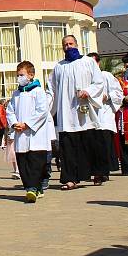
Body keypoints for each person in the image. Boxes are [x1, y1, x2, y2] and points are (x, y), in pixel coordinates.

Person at [47, 34, 105, 190]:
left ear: (77, 45)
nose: (68, 47)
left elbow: (99, 82)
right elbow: (51, 90)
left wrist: (88, 91)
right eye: (65, 45)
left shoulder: (88, 62)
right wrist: (46, 110)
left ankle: (97, 173)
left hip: (85, 112)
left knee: (90, 144)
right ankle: (70, 178)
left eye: (71, 44)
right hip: (67, 114)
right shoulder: (59, 67)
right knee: (68, 148)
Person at [6, 61, 55, 202]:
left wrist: (27, 124)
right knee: (23, 164)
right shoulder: (16, 94)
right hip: (20, 135)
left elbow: (42, 111)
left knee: (35, 164)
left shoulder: (38, 91)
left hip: (36, 136)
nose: (19, 78)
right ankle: (34, 187)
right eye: (17, 75)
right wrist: (15, 123)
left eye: (21, 75)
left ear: (31, 75)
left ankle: (32, 188)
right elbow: (10, 111)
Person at [87, 52, 123, 182]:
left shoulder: (105, 75)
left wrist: (108, 96)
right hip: (90, 117)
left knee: (104, 145)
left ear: (98, 63)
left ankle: (103, 172)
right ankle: (95, 171)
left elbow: (118, 92)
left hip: (104, 115)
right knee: (93, 146)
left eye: (93, 62)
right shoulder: (86, 78)